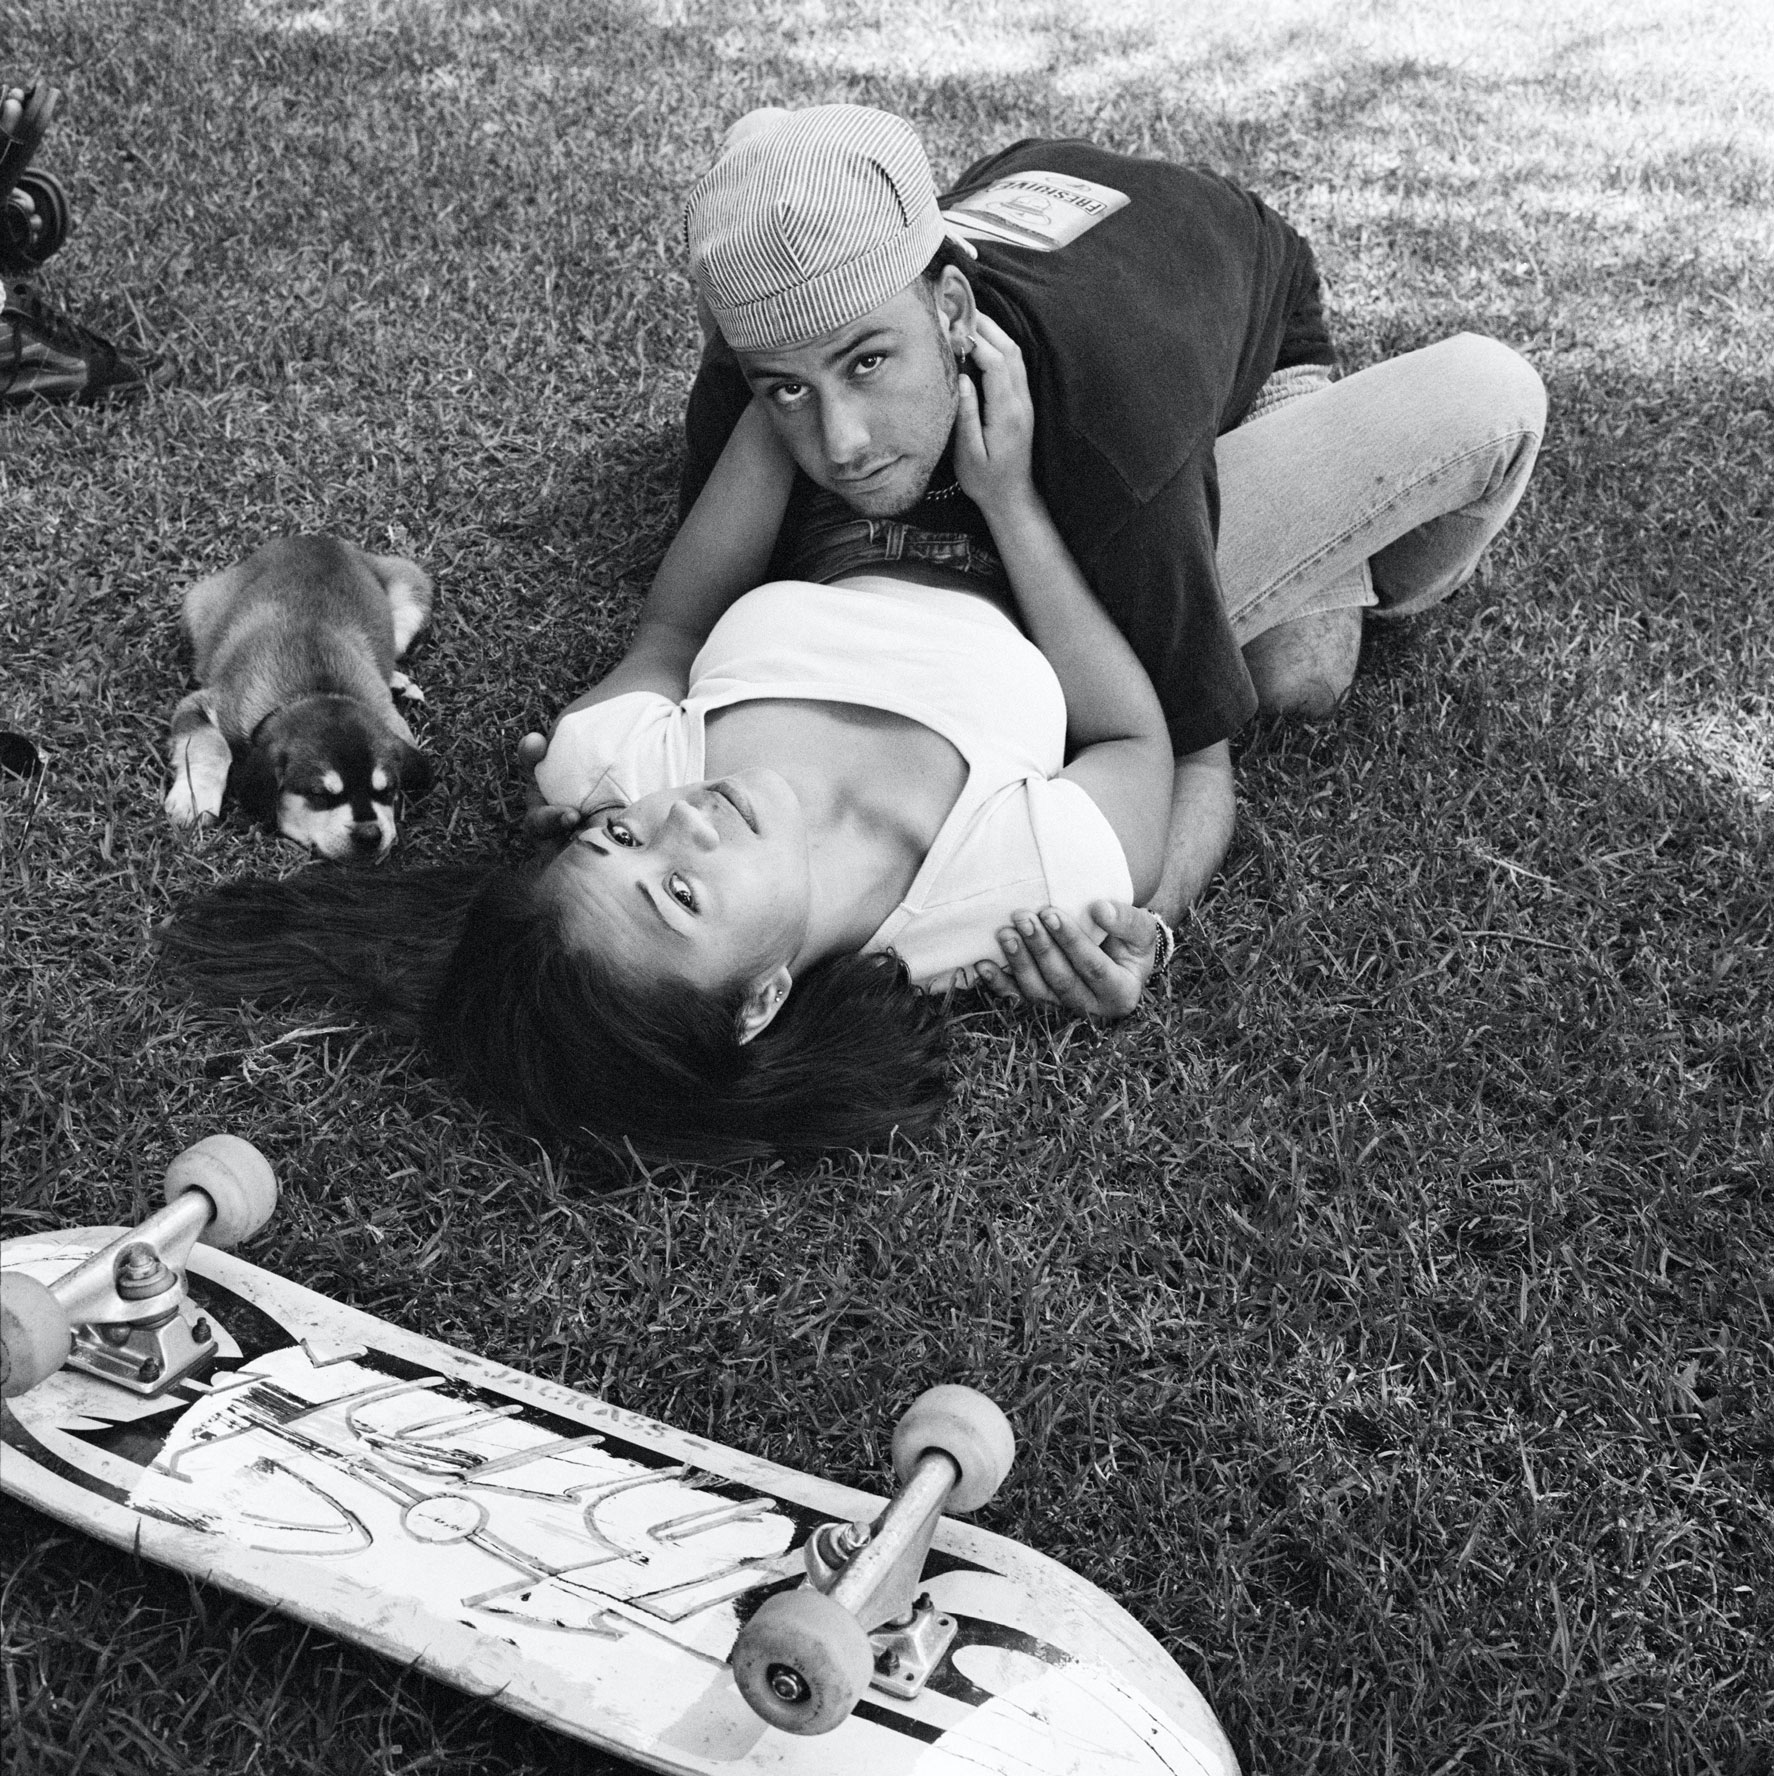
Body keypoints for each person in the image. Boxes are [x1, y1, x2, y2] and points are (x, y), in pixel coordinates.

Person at [164, 105, 1547, 1163]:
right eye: (683, 889)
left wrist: (800, 421)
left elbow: (674, 617)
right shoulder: (998, 894)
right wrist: (999, 502)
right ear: (760, 999)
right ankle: (1270, 406)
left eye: (627, 843)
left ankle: (1221, 362)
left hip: (1140, 293)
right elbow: (1163, 737)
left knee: (1279, 631)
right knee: (1294, 677)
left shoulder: (622, 767)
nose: (678, 826)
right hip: (1046, 509)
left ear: (945, 305)